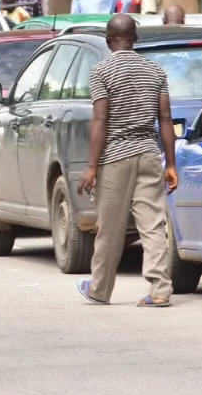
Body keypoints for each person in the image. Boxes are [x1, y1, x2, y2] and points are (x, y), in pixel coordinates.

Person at [76, 15, 179, 307]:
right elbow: (166, 119)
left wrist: (92, 166)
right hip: (148, 153)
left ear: (109, 41)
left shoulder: (101, 71)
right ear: (135, 39)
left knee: (110, 227)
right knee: (153, 225)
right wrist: (170, 164)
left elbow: (100, 118)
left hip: (115, 157)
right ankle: (160, 290)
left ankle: (100, 289)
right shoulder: (155, 70)